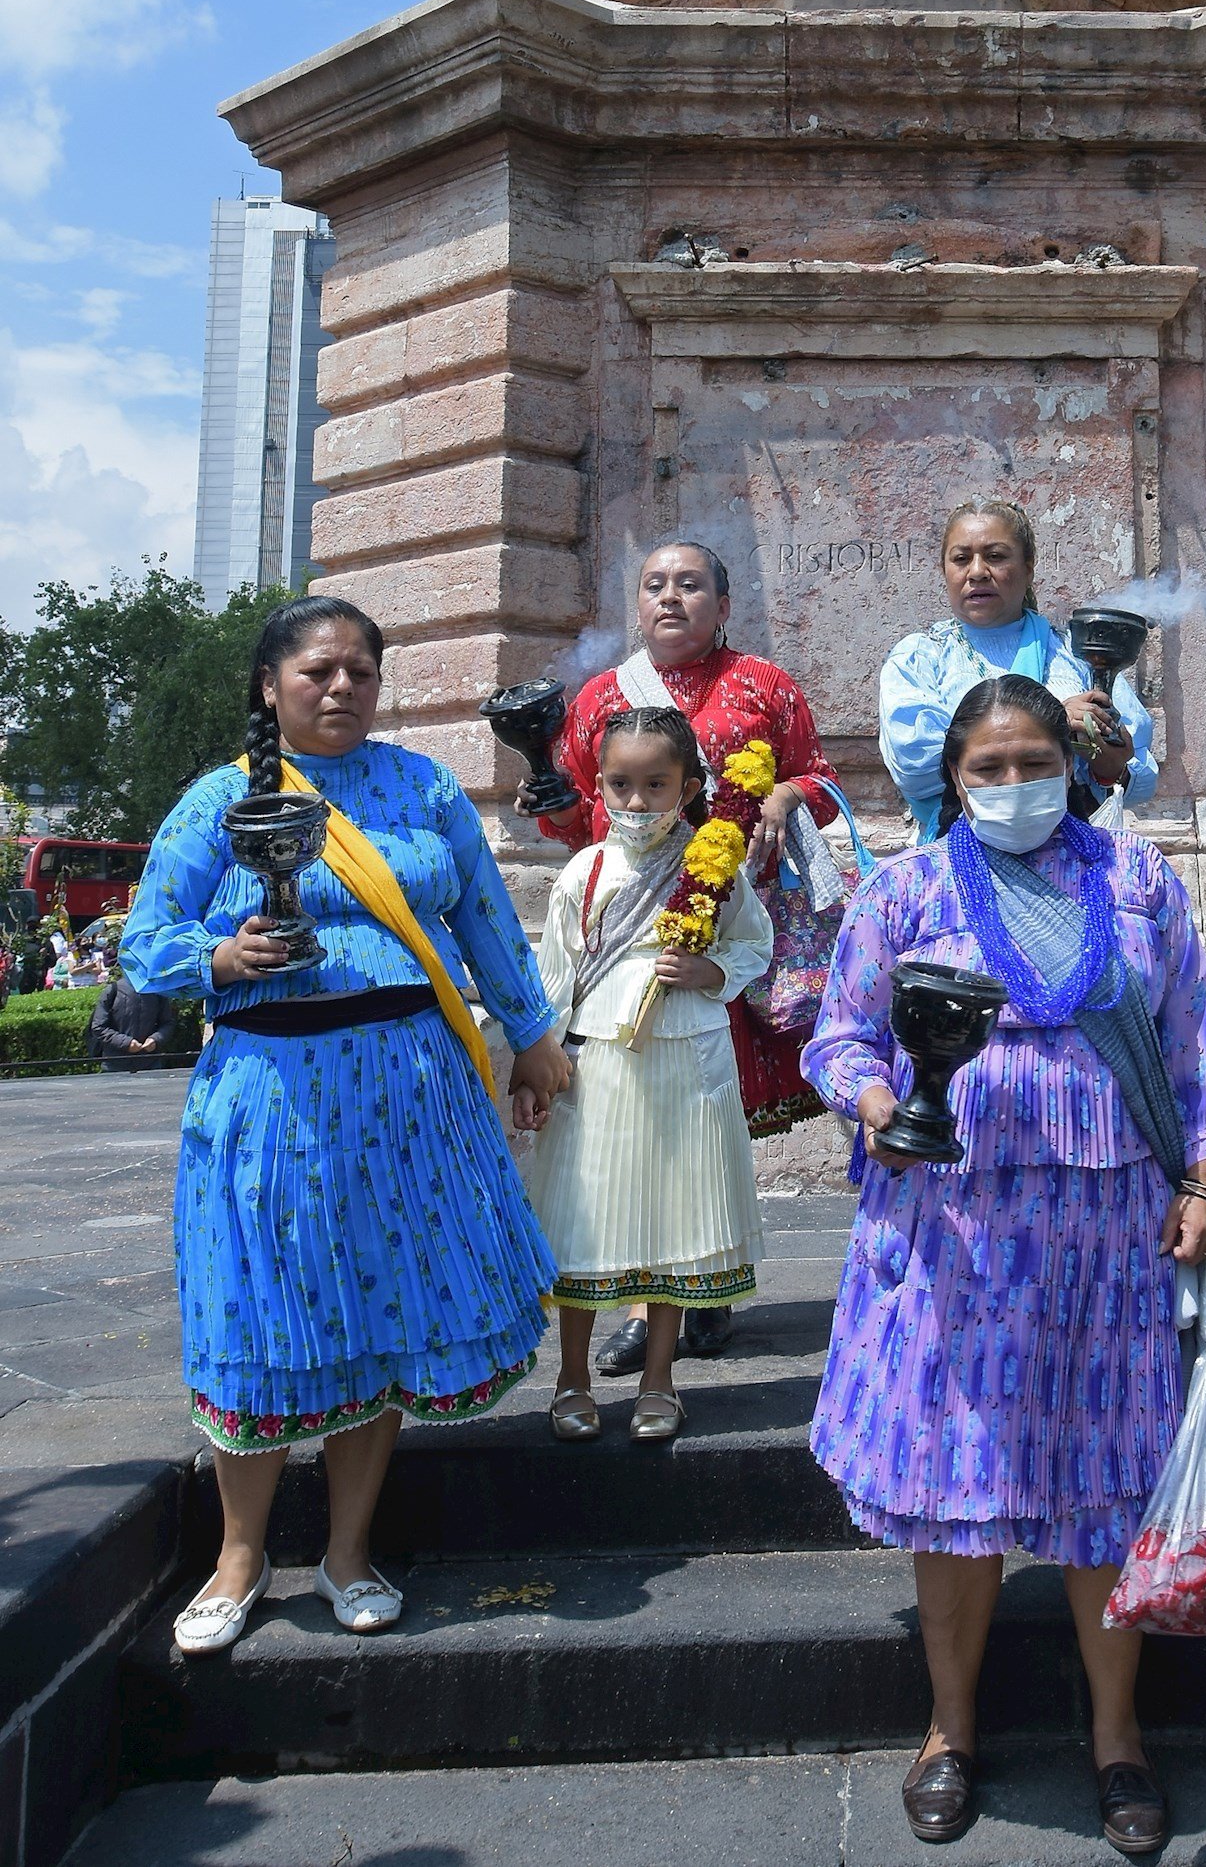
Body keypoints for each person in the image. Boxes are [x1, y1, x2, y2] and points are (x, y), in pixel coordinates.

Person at [805, 675, 1206, 1857]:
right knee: (955, 1495)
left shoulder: (1136, 881)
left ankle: (1117, 1737)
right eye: (986, 769)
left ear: (1071, 764)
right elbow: (837, 1033)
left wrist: (1202, 1182)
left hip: (1109, 1237)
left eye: (1031, 762)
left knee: (1105, 1494)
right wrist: (878, 1097)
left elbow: (1190, 1044)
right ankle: (948, 1731)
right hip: (950, 1235)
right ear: (951, 778)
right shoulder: (907, 888)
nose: (1010, 785)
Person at [119, 598, 569, 1656]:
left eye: (362, 671)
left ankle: (348, 1551)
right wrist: (215, 962)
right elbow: (147, 938)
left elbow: (482, 919)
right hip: (271, 1096)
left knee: (382, 1309)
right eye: (319, 670)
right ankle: (240, 1559)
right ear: (270, 685)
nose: (342, 688)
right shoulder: (222, 799)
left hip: (413, 1091)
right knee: (261, 1311)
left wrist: (532, 1028)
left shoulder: (420, 788)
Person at [527, 541, 841, 1365]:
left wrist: (785, 791)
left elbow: (824, 781)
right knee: (637, 1125)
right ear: (637, 605)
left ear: (723, 603)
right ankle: (637, 1305)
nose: (671, 597)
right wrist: (550, 801)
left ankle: (707, 1286)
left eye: (691, 583)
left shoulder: (766, 685)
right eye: (655, 584)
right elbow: (573, 824)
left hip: (730, 917)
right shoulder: (598, 699)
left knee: (704, 1129)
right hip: (628, 936)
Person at [514, 706, 771, 1444]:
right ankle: (571, 1378)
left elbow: (757, 942)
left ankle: (661, 1377)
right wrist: (539, 1067)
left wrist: (710, 968)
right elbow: (553, 979)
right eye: (620, 785)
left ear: (688, 785)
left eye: (655, 784)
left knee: (674, 1220)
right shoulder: (583, 871)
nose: (636, 802)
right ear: (598, 788)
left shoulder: (715, 866)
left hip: (687, 1064)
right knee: (583, 1218)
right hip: (597, 1068)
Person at [879, 500, 1158, 839]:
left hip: (1069, 855)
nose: (978, 571)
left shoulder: (1076, 655)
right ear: (945, 571)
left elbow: (1136, 774)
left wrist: (1107, 763)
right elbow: (915, 768)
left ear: (1028, 569)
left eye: (995, 556)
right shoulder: (922, 658)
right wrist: (1054, 720)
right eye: (961, 558)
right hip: (957, 850)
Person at [87, 948, 175, 1066]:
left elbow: (168, 1023)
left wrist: (156, 1039)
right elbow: (98, 1027)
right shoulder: (113, 990)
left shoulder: (157, 992)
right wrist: (126, 1043)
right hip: (115, 1065)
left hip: (150, 1064)